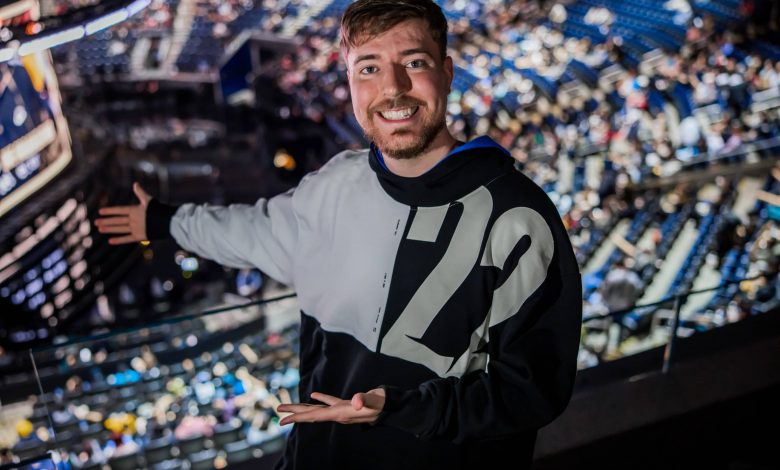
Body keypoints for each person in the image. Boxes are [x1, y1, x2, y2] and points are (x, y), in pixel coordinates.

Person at [95, 1, 582, 468]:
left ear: (448, 72)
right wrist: (166, 222)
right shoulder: (335, 183)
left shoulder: (518, 216)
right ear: (349, 83)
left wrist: (402, 408)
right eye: (368, 68)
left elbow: (532, 391)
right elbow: (252, 229)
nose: (392, 87)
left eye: (414, 62)